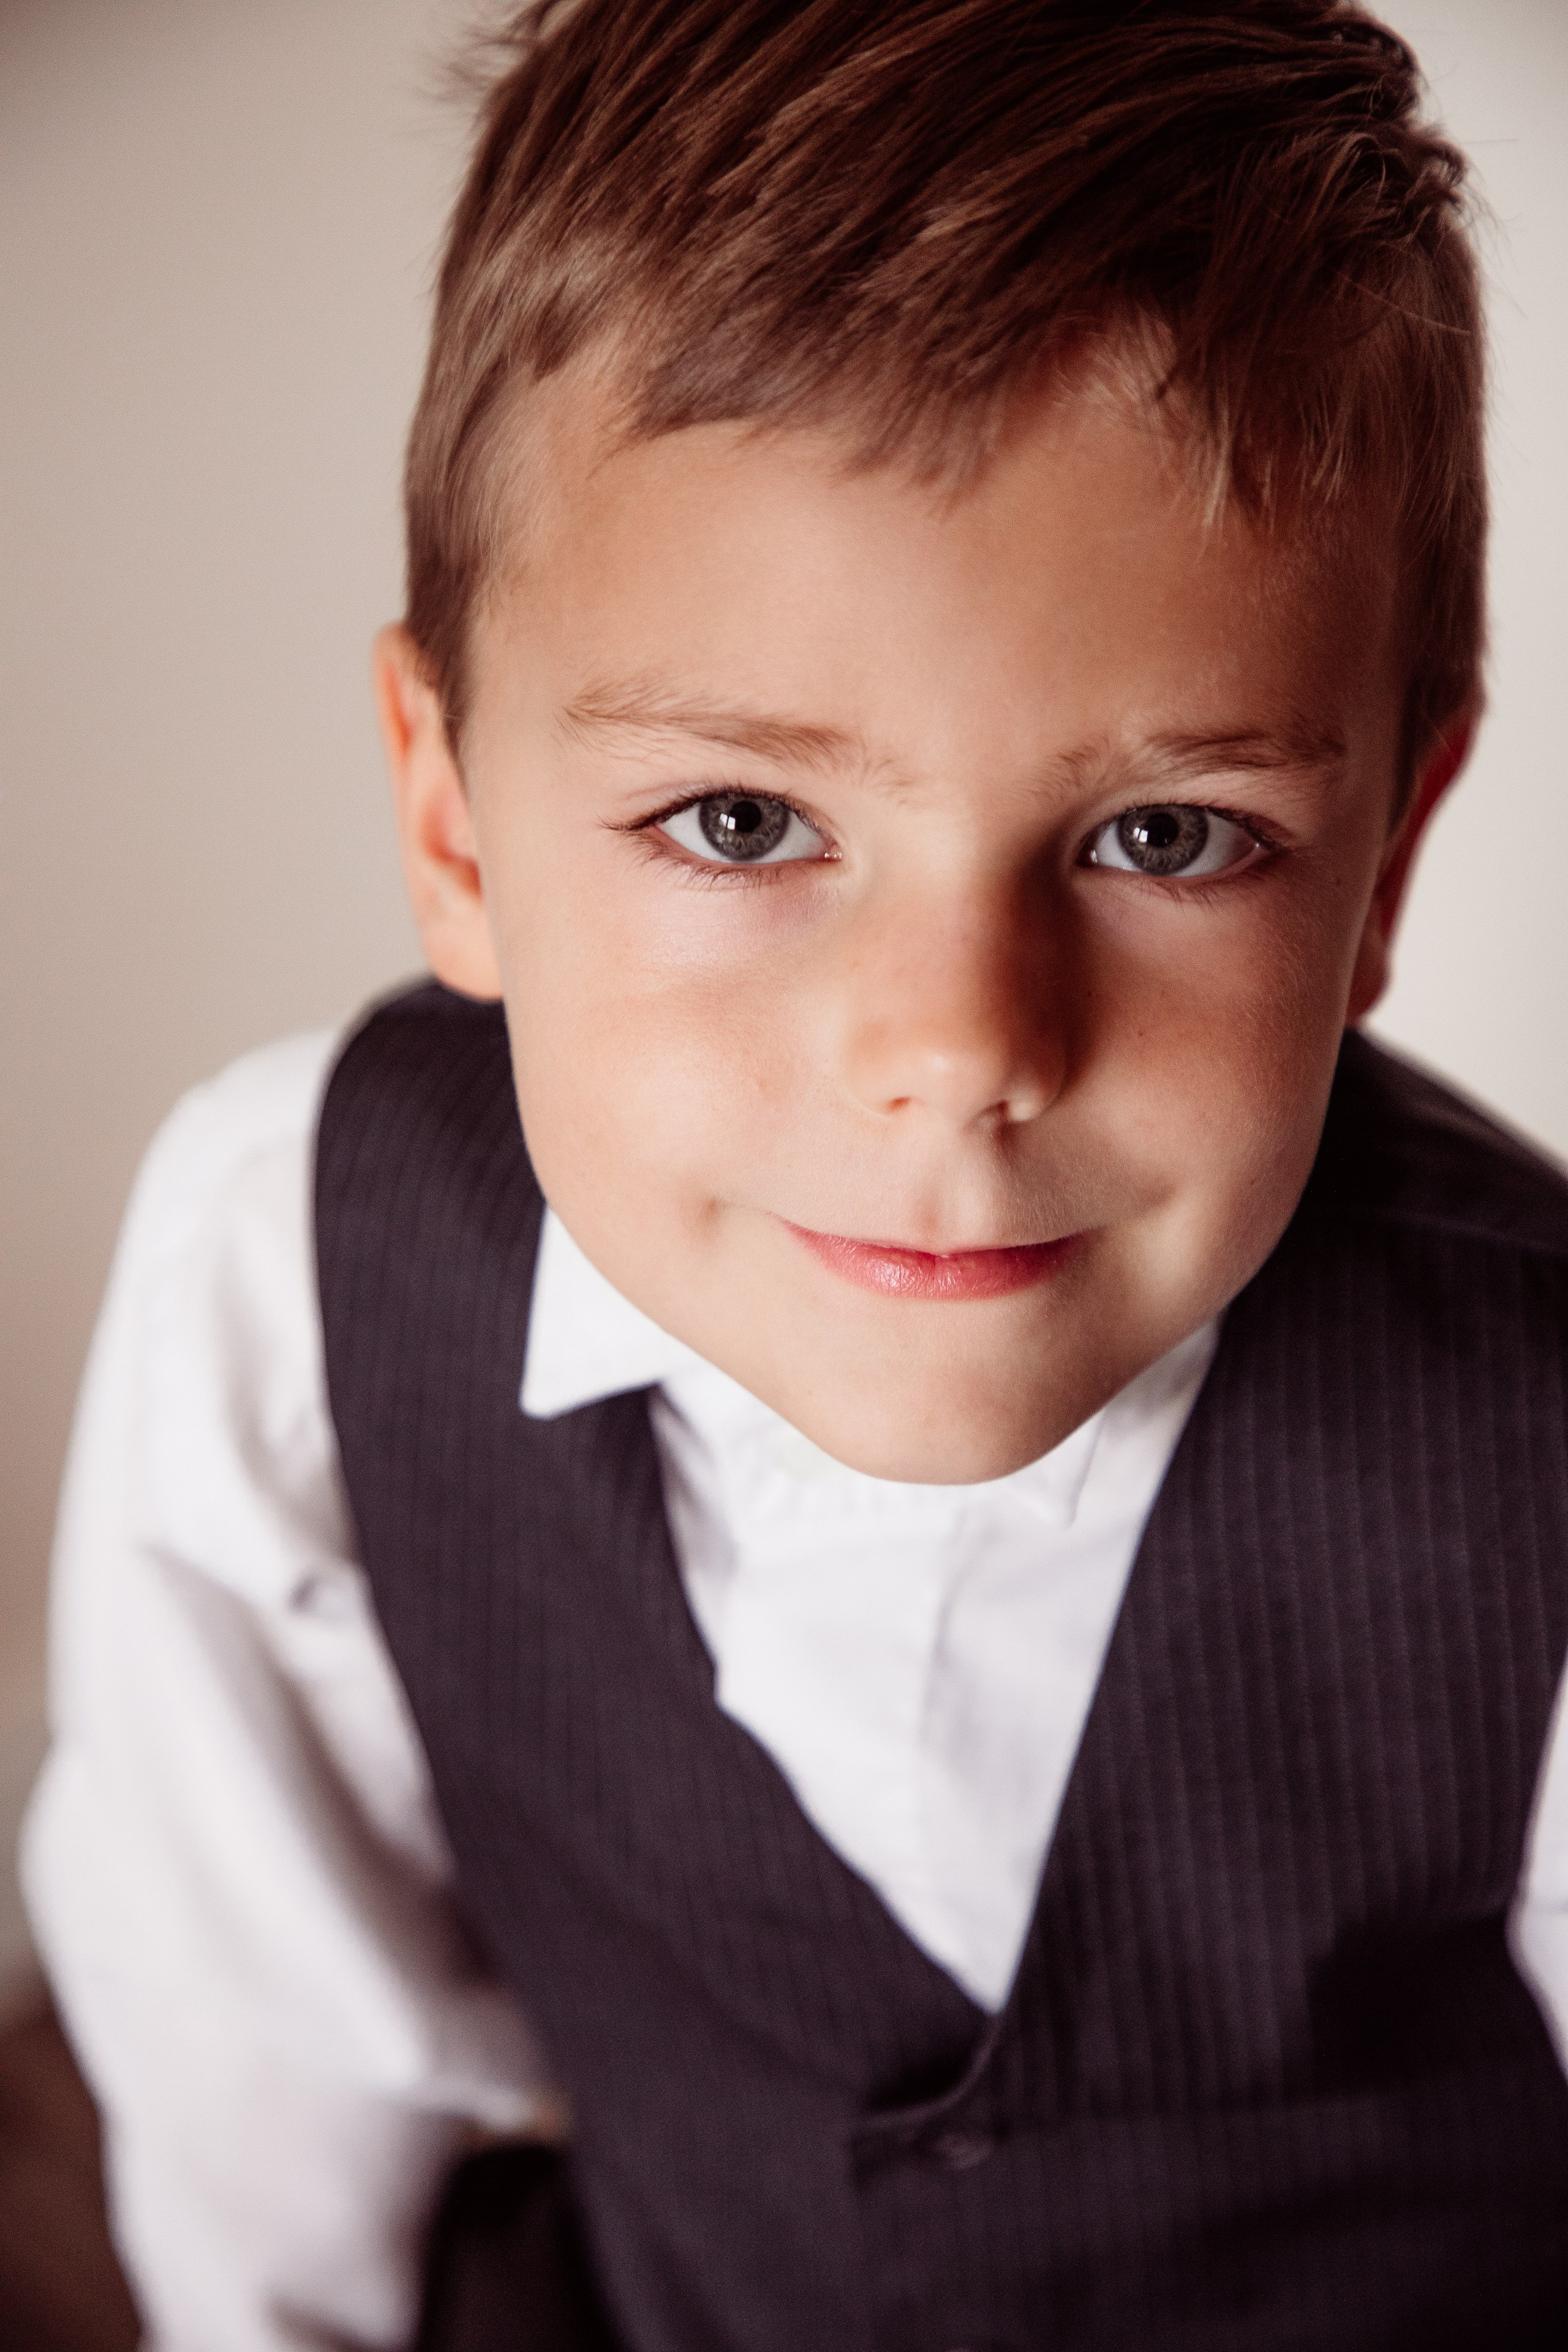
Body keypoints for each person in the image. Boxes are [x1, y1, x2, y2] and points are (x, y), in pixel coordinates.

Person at [23, 0, 1568, 2345]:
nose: (957, 1050)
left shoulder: (1535, 1432)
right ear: (454, 822)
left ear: (1385, 862)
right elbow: (255, 2070)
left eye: (1169, 835)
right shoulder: (295, 1262)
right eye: (742, 821)